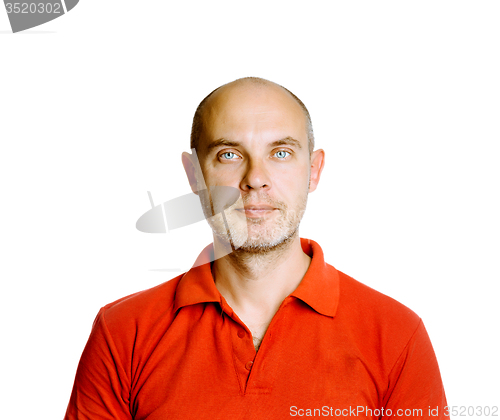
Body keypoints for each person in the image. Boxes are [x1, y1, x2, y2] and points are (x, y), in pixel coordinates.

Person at [64, 77, 449, 419]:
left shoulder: (397, 335)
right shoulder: (122, 332)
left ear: (313, 171)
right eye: (229, 154)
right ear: (194, 174)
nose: (255, 179)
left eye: (280, 153)